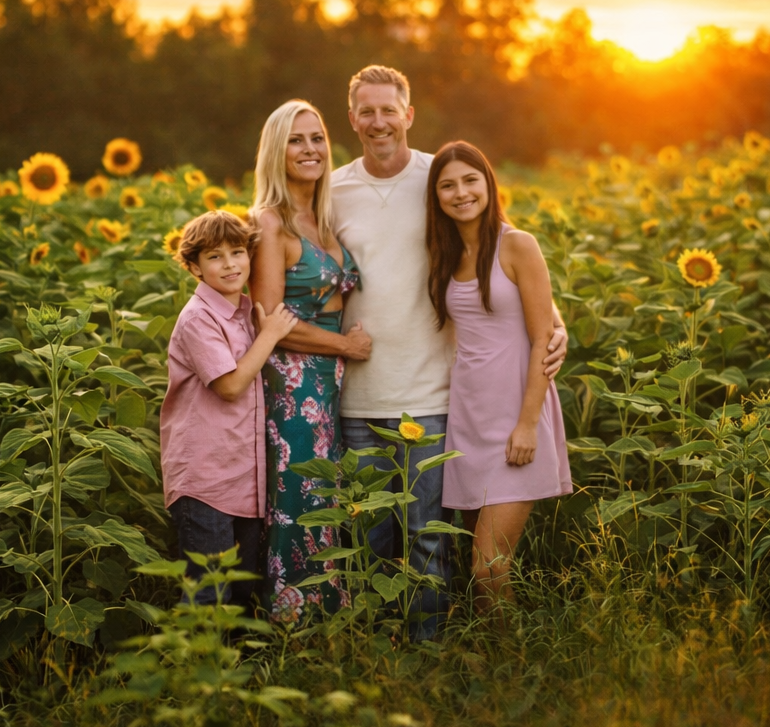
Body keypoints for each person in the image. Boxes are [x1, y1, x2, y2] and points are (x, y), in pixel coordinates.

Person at [331, 65, 568, 637]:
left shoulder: (437, 175)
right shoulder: (333, 190)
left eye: (390, 109)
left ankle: (447, 660)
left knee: (436, 547)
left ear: (409, 115)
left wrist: (554, 325)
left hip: (441, 399)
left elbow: (521, 283)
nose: (379, 121)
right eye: (368, 110)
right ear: (353, 117)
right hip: (388, 399)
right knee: (372, 545)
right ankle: (380, 654)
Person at [426, 141, 572, 612]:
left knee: (489, 565)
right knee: (476, 563)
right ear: (437, 197)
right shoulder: (445, 255)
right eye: (447, 185)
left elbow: (541, 337)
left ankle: (515, 666)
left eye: (470, 179)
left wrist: (528, 423)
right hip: (468, 419)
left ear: (488, 182)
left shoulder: (517, 244)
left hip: (517, 417)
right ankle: (493, 666)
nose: (460, 192)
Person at [249, 99, 369, 623]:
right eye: (296, 140)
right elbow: (268, 320)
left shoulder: (321, 216)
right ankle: (294, 622)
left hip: (330, 383)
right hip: (294, 385)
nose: (310, 149)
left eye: (317, 138)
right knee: (299, 495)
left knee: (328, 494)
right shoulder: (271, 223)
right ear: (277, 151)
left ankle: (332, 615)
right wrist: (345, 346)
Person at [160, 209, 297, 609]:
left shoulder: (243, 311)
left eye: (237, 252)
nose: (230, 264)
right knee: (208, 589)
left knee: (241, 591)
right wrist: (269, 335)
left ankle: (235, 668)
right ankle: (199, 669)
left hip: (242, 478)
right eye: (214, 257)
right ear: (194, 267)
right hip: (205, 480)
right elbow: (231, 385)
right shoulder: (198, 319)